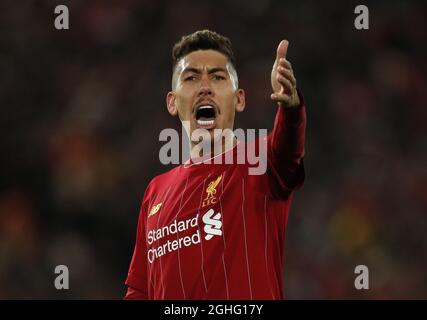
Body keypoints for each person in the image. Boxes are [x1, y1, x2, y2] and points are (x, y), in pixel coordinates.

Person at [124, 29, 306, 299]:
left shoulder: (258, 162)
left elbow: (288, 149)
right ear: (172, 102)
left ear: (239, 99)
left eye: (218, 77)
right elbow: (139, 290)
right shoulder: (155, 192)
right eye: (191, 77)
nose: (205, 86)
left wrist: (291, 109)